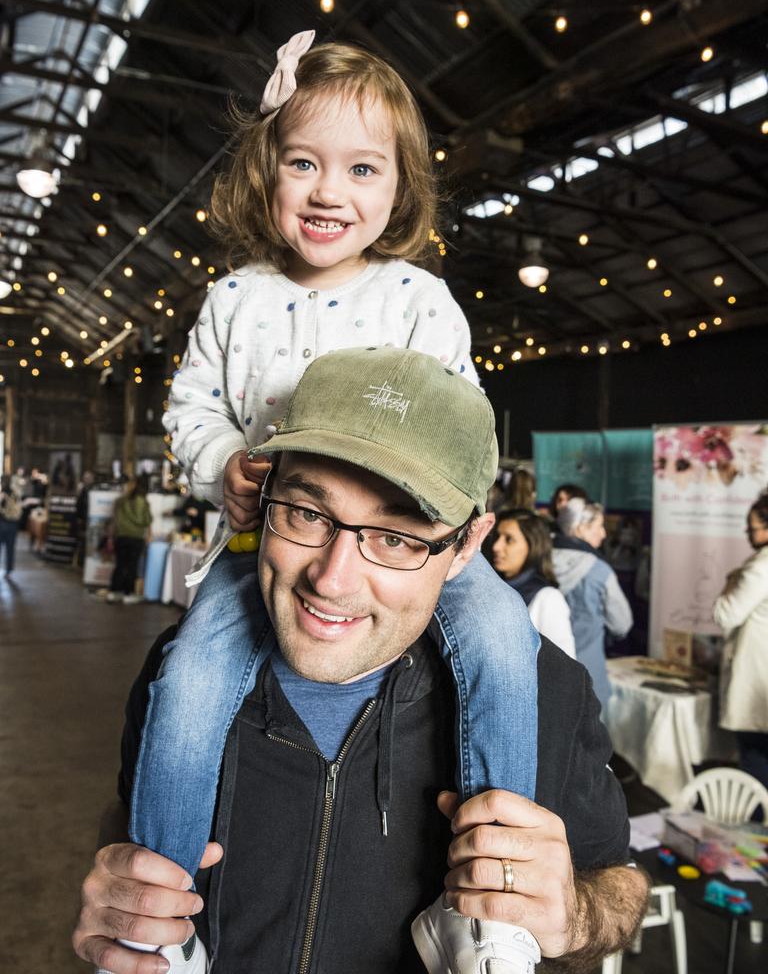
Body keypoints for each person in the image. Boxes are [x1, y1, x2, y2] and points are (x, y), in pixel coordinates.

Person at [128, 29, 539, 938]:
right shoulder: (232, 299)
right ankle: (160, 920)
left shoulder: (417, 300)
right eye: (305, 162)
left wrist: (452, 518)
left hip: (399, 547)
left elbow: (463, 427)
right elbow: (189, 410)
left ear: (399, 189)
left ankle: (490, 906)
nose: (328, 191)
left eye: (362, 169)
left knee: (508, 637)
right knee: (187, 677)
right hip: (267, 546)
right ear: (267, 172)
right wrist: (221, 463)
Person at [73, 348, 648, 974]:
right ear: (262, 497)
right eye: (306, 512)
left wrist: (575, 913)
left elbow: (619, 881)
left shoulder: (540, 691)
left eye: (396, 538)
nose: (332, 580)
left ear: (465, 548)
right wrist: (126, 889)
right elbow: (124, 812)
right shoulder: (179, 667)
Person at [552, 499, 632, 709]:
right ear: (580, 528)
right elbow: (622, 623)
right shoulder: (600, 571)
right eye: (599, 526)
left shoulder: (540, 563)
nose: (604, 534)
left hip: (546, 675)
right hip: (590, 677)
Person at [713, 489, 768, 789]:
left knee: (756, 760)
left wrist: (731, 579)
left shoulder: (760, 568)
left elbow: (725, 614)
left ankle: (755, 830)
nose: (747, 534)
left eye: (752, 527)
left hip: (758, 678)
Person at [491, 508, 575, 657]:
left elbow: (564, 671)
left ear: (533, 545)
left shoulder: (548, 599)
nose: (496, 547)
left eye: (509, 539)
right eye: (497, 537)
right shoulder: (494, 587)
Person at [108, 474, 152, 604]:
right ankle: (129, 594)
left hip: (121, 536)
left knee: (120, 565)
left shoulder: (120, 501)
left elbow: (114, 520)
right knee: (132, 566)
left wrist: (111, 536)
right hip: (136, 538)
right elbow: (146, 520)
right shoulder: (143, 501)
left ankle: (114, 592)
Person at [0, 474, 23, 575]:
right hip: (13, 524)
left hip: (2, 523)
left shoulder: (2, 494)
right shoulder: (16, 494)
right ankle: (9, 569)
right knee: (10, 548)